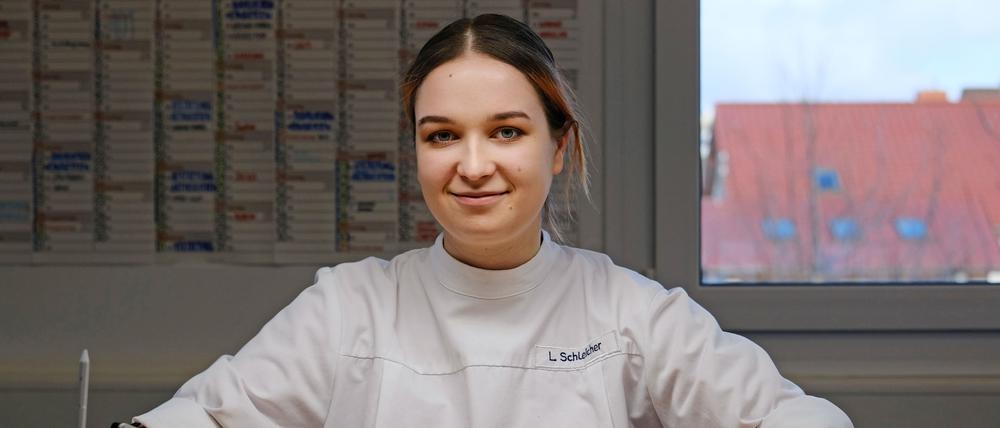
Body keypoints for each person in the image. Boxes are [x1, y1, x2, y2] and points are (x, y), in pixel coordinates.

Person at [134, 14, 852, 427]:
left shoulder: (631, 313)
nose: (472, 165)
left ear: (559, 146)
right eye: (442, 135)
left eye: (506, 131)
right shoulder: (348, 309)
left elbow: (793, 419)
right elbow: (205, 418)